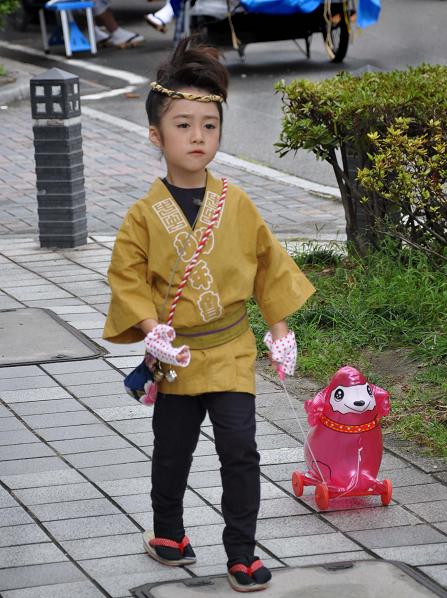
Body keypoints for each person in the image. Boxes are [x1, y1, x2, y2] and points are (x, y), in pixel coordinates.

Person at [103, 37, 315, 593]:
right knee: (173, 452)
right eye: (183, 124)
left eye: (209, 125)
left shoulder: (237, 203)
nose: (197, 136)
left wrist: (280, 329)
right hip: (176, 357)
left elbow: (269, 265)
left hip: (231, 349)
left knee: (240, 450)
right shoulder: (142, 216)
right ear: (156, 134)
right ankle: (169, 533)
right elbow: (126, 278)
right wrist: (152, 332)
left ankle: (242, 553)